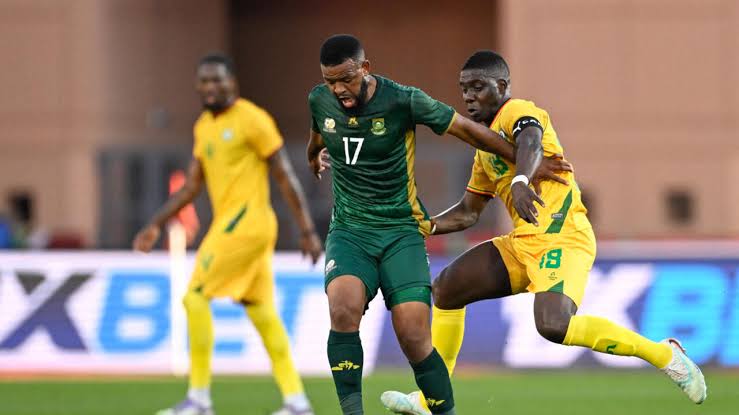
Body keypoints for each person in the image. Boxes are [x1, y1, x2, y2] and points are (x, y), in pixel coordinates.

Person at [380, 50, 707, 415]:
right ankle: (431, 399)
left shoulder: (518, 110)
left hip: (563, 236)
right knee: (446, 289)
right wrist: (422, 225)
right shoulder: (484, 152)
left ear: (502, 86)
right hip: (523, 243)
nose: (469, 97)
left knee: (553, 325)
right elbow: (468, 212)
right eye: (464, 89)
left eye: (478, 87)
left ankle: (665, 355)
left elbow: (531, 141)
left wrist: (521, 179)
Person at [307, 36, 570, 415]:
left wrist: (525, 161)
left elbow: (465, 129)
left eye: (346, 79)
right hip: (350, 231)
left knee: (414, 335)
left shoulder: (403, 100)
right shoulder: (319, 100)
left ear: (365, 68)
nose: (338, 90)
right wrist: (314, 155)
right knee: (343, 309)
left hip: (401, 231)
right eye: (330, 81)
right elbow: (319, 133)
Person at [133, 53, 322, 415]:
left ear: (232, 82)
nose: (210, 87)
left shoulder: (252, 119)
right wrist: (156, 222)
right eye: (204, 81)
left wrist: (307, 230)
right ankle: (297, 402)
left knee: (195, 297)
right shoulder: (203, 126)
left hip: (246, 224)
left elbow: (284, 175)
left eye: (217, 80)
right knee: (261, 311)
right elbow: (192, 186)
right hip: (238, 226)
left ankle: (199, 400)